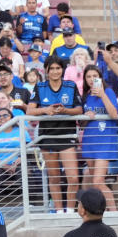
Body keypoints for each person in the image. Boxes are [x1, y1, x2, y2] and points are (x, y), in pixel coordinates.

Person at [29, 57, 82, 213]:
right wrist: (45, 110)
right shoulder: (40, 86)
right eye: (51, 68)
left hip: (67, 135)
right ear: (46, 70)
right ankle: (59, 211)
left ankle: (70, 210)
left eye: (58, 68)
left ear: (62, 70)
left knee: (73, 178)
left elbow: (79, 110)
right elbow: (30, 111)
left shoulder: (71, 86)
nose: (55, 71)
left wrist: (65, 110)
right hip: (47, 137)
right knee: (54, 177)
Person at [79, 64, 118, 213]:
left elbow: (114, 114)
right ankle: (101, 212)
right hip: (90, 141)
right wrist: (85, 117)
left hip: (105, 141)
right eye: (88, 77)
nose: (92, 79)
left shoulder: (108, 91)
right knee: (94, 181)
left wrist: (102, 94)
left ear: (100, 77)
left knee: (98, 181)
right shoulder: (85, 96)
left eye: (94, 76)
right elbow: (81, 124)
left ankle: (114, 212)